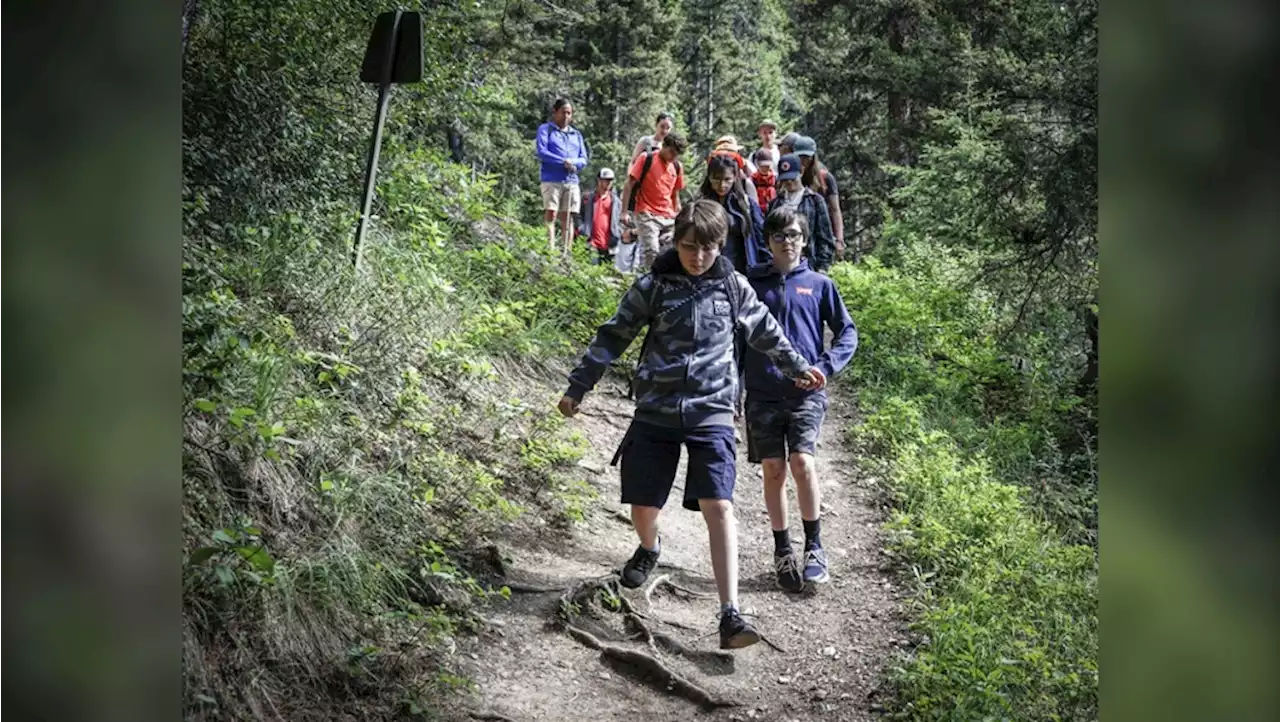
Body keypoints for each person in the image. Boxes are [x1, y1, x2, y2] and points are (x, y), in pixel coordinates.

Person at [557, 199, 827, 649]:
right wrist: (578, 387)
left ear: (721, 246)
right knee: (643, 504)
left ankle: (730, 615)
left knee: (719, 506)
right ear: (675, 242)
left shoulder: (733, 286)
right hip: (657, 409)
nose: (697, 257)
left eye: (708, 249)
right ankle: (649, 547)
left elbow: (766, 333)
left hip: (713, 411)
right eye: (688, 247)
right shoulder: (654, 286)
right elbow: (613, 334)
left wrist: (798, 367)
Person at [744, 205, 858, 591]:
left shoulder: (820, 285)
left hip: (807, 393)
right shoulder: (751, 284)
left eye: (794, 235)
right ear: (768, 242)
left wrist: (825, 367)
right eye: (779, 236)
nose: (787, 242)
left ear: (804, 240)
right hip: (761, 392)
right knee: (773, 469)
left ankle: (815, 547)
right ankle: (782, 550)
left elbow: (847, 332)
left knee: (802, 463)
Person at [620, 132, 688, 270]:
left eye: (677, 155)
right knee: (651, 251)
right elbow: (629, 184)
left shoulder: (676, 166)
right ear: (664, 146)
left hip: (668, 215)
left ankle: (667, 283)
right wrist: (624, 212)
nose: (673, 157)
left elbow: (675, 194)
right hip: (647, 213)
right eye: (672, 152)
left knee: (674, 250)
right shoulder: (647, 158)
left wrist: (679, 215)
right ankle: (647, 283)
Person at [535, 98, 590, 257]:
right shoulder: (546, 130)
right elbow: (542, 152)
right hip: (551, 179)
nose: (566, 116)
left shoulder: (576, 134)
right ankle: (549, 250)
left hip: (571, 181)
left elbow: (583, 158)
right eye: (563, 112)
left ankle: (567, 253)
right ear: (555, 112)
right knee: (551, 213)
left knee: (568, 217)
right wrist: (562, 162)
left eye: (569, 113)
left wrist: (574, 163)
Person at [696, 154, 766, 274]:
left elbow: (761, 239)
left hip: (740, 269)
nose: (722, 185)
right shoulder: (700, 205)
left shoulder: (746, 205)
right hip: (708, 270)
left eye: (727, 179)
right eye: (716, 179)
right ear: (709, 178)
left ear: (735, 177)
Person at [767, 154, 836, 272]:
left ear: (801, 172)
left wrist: (823, 267)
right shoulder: (775, 203)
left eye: (792, 178)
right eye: (785, 179)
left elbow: (825, 237)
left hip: (809, 264)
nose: (789, 182)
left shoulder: (815, 201)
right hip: (781, 265)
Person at [793, 135, 845, 263]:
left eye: (806, 157)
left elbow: (835, 209)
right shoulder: (791, 177)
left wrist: (839, 239)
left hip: (821, 233)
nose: (803, 161)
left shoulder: (825, 178)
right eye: (800, 157)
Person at [579, 168, 623, 266]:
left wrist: (618, 231)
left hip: (610, 245)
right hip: (591, 243)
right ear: (599, 180)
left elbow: (621, 219)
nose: (608, 183)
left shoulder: (616, 201)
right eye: (606, 180)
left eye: (610, 180)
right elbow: (577, 215)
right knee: (592, 270)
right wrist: (581, 228)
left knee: (607, 274)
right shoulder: (588, 198)